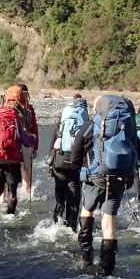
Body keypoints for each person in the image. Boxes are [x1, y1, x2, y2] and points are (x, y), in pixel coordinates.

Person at [70, 95, 137, 276]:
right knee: (109, 226)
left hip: (94, 178)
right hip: (118, 179)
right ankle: (106, 272)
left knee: (87, 211)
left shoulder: (89, 126)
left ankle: (87, 256)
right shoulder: (128, 127)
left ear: (97, 109)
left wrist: (80, 169)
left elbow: (75, 155)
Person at [0, 85, 35, 214]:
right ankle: (10, 215)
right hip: (12, 158)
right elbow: (24, 138)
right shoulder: (17, 115)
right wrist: (33, 139)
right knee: (12, 191)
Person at [47, 94, 88, 231]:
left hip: (59, 161)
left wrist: (50, 160)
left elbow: (52, 145)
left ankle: (58, 208)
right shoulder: (86, 123)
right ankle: (72, 226)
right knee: (74, 196)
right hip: (75, 164)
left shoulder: (62, 123)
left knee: (59, 188)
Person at [17, 83, 39, 196]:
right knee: (26, 169)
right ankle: (26, 192)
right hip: (26, 141)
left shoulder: (8, 108)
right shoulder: (29, 108)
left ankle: (3, 198)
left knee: (7, 170)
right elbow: (34, 128)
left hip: (11, 141)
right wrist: (35, 147)